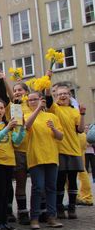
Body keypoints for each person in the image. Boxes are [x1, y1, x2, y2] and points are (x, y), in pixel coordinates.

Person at [0, 69, 31, 225]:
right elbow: (7, 96)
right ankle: (12, 212)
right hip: (15, 149)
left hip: (31, 149)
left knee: (26, 183)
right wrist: (3, 80)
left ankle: (26, 211)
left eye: (20, 90)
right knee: (12, 184)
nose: (17, 92)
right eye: (15, 90)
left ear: (26, 92)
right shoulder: (10, 107)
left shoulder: (30, 105)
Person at [24, 92, 64, 229]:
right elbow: (27, 126)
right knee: (38, 187)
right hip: (36, 157)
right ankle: (34, 218)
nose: (33, 102)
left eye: (35, 99)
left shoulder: (52, 116)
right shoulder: (26, 115)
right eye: (30, 100)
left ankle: (52, 217)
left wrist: (53, 128)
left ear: (42, 100)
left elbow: (60, 137)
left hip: (51, 156)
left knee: (51, 188)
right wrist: (37, 109)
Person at [0, 99, 25, 230]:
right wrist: (7, 128)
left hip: (9, 162)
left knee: (7, 193)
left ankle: (5, 222)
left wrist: (22, 128)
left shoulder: (7, 124)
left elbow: (17, 141)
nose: (0, 110)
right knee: (0, 192)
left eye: (1, 108)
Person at [46, 84, 86, 219]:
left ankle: (72, 207)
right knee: (60, 180)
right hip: (59, 150)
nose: (62, 96)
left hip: (74, 149)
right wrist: (47, 82)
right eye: (59, 94)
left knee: (73, 180)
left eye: (65, 94)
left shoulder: (74, 111)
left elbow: (80, 129)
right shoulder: (55, 109)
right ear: (56, 97)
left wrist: (82, 114)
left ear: (70, 96)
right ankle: (59, 208)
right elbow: (47, 98)